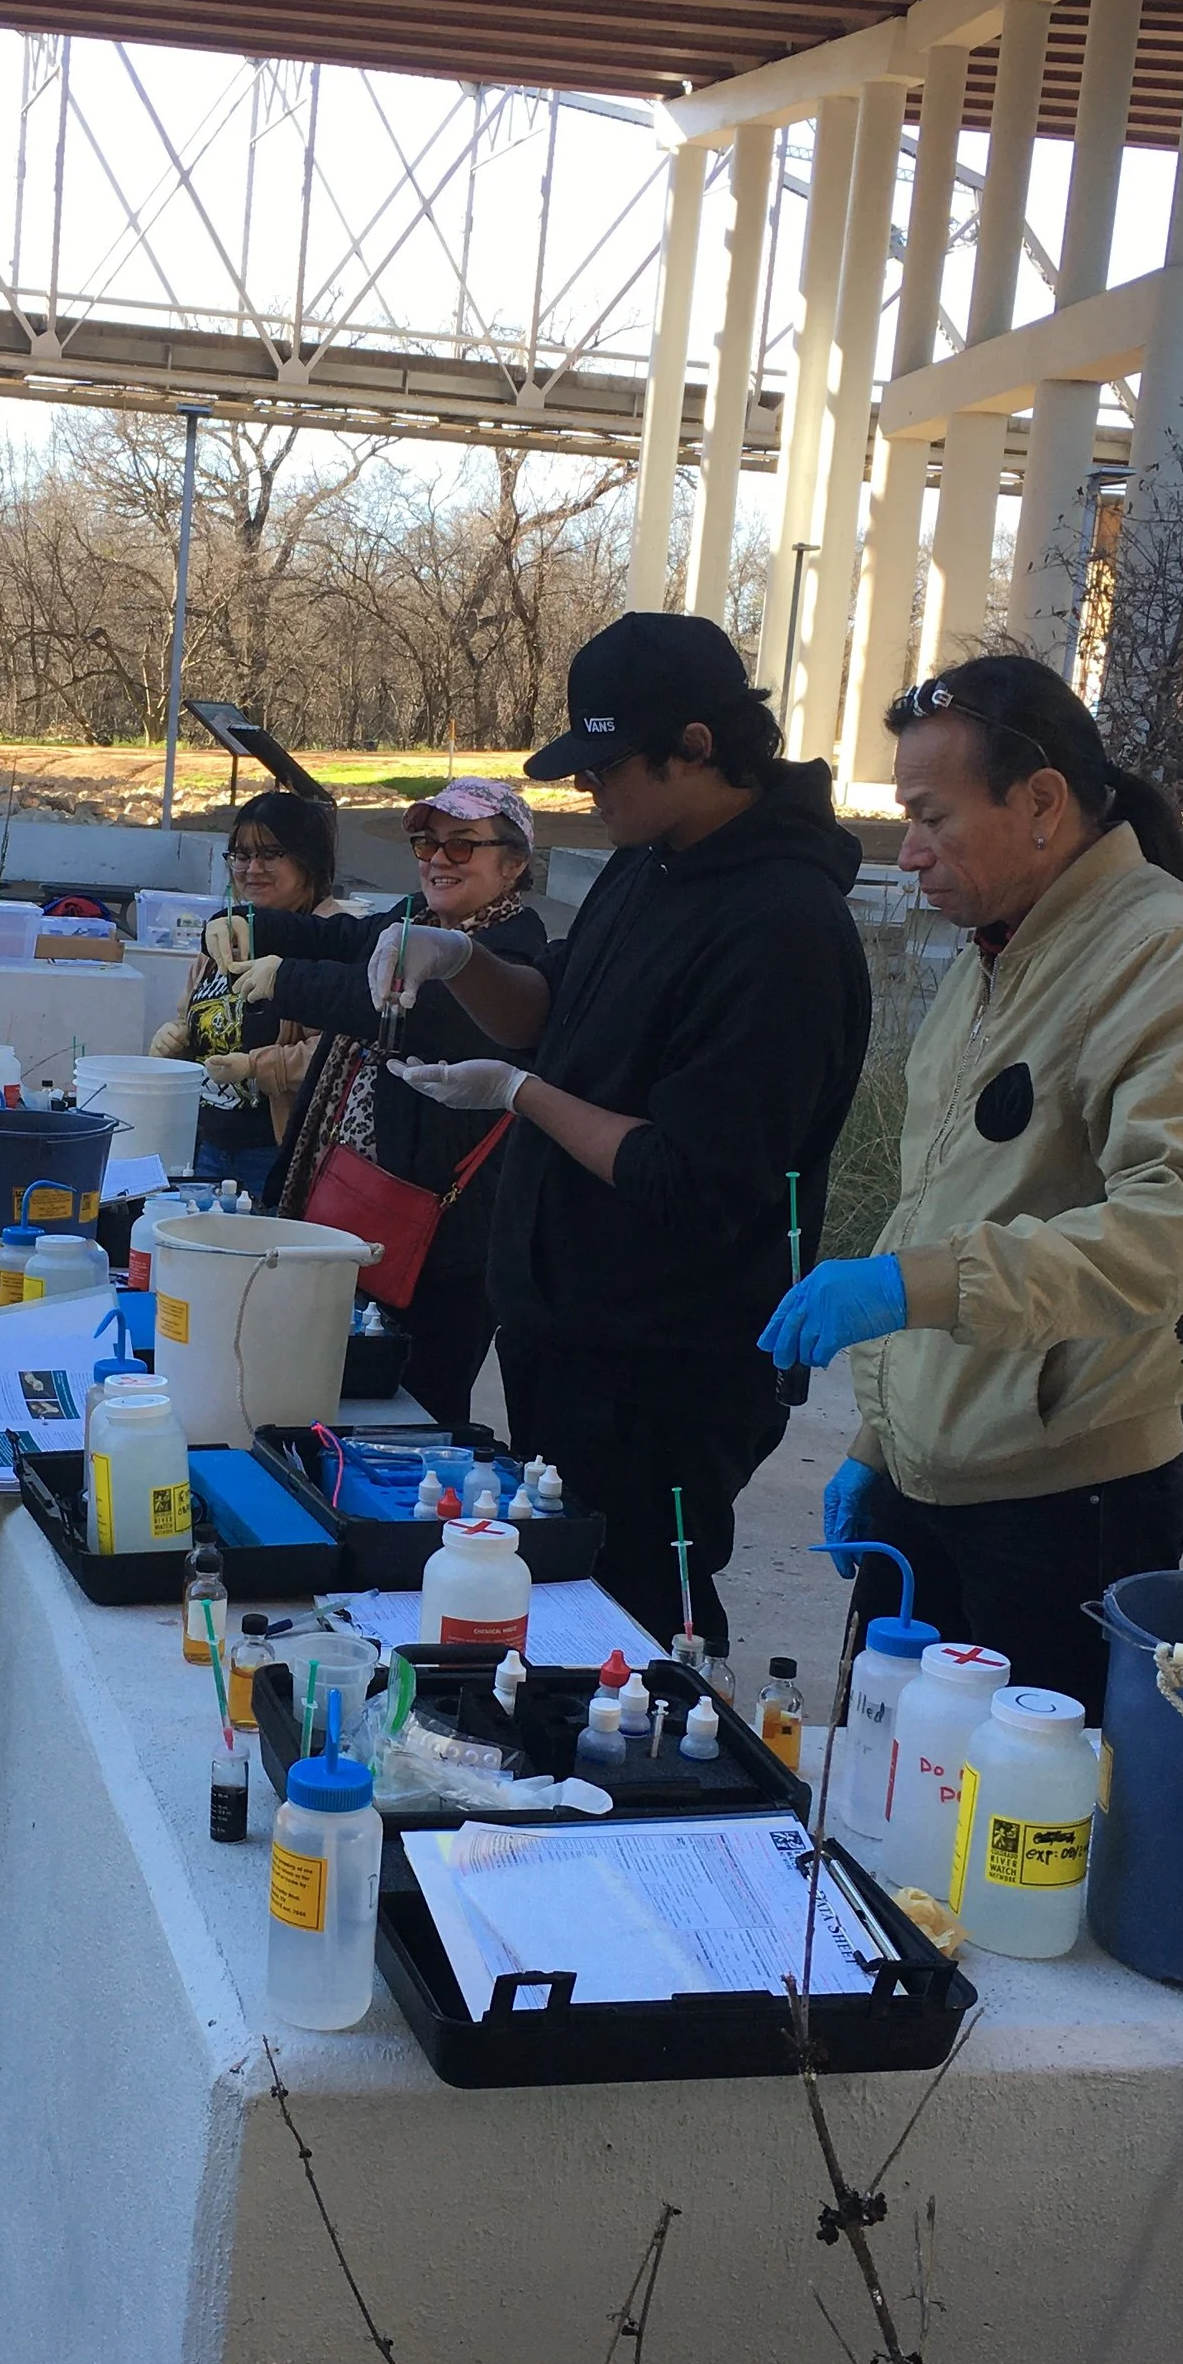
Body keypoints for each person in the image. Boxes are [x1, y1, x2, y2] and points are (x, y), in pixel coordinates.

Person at [760, 654, 1183, 1721]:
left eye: (933, 817)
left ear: (1040, 802)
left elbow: (1181, 1228)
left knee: (1014, 1808)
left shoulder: (1167, 953)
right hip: (928, 1479)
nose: (911, 852)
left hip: (1063, 1501)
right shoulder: (993, 950)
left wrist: (909, 1286)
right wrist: (879, 1439)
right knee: (890, 1779)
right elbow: (943, 1199)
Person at [369, 616, 871, 1655]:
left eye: (604, 765)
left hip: (668, 1368)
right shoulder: (646, 863)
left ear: (695, 745)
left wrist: (519, 1096)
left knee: (645, 1624)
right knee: (563, 1611)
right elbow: (551, 1009)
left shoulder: (782, 925)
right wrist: (458, 962)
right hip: (564, 1333)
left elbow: (690, 1177)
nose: (587, 788)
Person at [209, 777, 548, 1431]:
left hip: (442, 1241)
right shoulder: (414, 917)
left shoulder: (513, 953)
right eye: (428, 844)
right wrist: (246, 923)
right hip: (356, 1208)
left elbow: (394, 1005)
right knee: (334, 1398)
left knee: (417, 1411)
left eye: (462, 844)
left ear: (513, 863)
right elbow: (344, 939)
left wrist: (285, 978)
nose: (438, 859)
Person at [151, 790, 338, 1196]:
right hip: (208, 1145)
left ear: (308, 860)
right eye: (241, 855)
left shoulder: (333, 940)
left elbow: (337, 1054)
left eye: (270, 854)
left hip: (277, 1153)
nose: (252, 868)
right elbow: (193, 1016)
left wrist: (257, 1066)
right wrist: (174, 1040)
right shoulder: (228, 932)